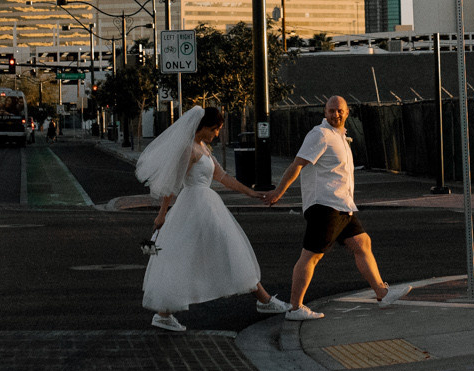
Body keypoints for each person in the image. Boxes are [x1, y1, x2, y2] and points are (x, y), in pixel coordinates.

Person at [136, 106, 292, 333]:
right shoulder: (188, 150)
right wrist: (162, 214)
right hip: (194, 206)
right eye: (214, 129)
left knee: (223, 248)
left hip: (207, 205)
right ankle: (164, 314)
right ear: (202, 127)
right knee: (198, 253)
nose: (217, 134)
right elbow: (172, 184)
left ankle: (263, 299)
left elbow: (222, 176)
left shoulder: (203, 148)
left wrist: (251, 193)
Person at [265, 95, 410, 320]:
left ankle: (382, 293)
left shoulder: (340, 137)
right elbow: (297, 165)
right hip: (325, 207)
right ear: (325, 112)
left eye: (340, 110)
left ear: (347, 112)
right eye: (331, 110)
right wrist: (278, 192)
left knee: (362, 243)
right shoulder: (320, 135)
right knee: (311, 256)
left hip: (342, 205)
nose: (336, 114)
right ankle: (295, 308)